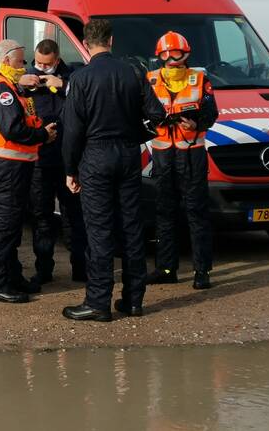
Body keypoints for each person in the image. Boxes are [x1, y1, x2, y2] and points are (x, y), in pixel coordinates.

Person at [61, 18, 166, 321]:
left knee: (99, 231)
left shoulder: (80, 78)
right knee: (132, 229)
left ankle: (98, 301)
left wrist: (71, 169)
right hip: (128, 154)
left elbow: (72, 130)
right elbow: (157, 116)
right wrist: (136, 136)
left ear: (85, 44)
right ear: (111, 41)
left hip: (95, 156)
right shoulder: (134, 72)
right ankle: (134, 300)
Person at [0, 39, 57, 304]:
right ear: (7, 61)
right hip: (7, 163)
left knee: (11, 225)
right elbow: (13, 129)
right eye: (20, 62)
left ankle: (12, 276)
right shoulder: (2, 89)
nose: (23, 66)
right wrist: (42, 135)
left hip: (4, 162)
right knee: (5, 227)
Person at [145, 32, 218, 290]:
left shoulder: (200, 79)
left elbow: (212, 112)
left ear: (187, 54)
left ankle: (202, 271)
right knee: (164, 212)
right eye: (167, 54)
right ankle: (166, 268)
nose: (173, 59)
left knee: (197, 212)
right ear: (159, 56)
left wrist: (196, 123)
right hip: (163, 155)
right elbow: (139, 113)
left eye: (177, 54)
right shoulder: (150, 80)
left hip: (192, 154)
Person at [23, 39, 86, 284]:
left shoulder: (73, 75)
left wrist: (64, 85)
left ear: (57, 60)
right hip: (40, 158)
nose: (41, 67)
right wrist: (22, 83)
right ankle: (43, 270)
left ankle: (80, 268)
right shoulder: (27, 77)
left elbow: (85, 96)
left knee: (74, 216)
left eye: (46, 64)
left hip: (68, 158)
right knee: (41, 216)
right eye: (38, 62)